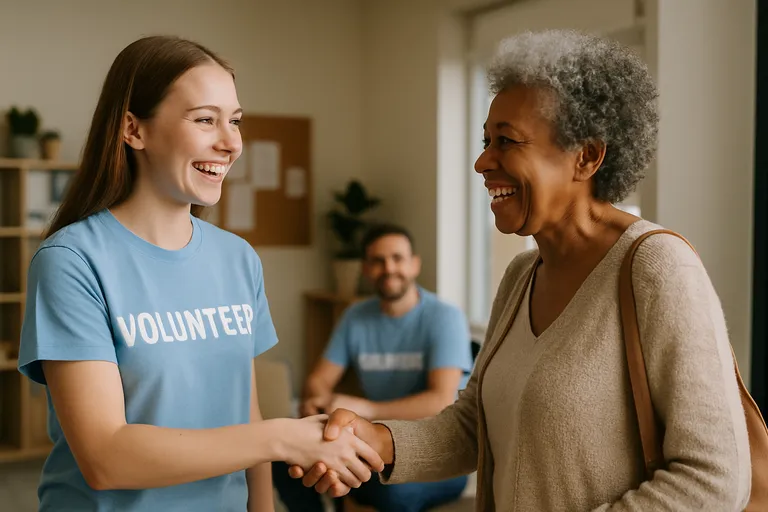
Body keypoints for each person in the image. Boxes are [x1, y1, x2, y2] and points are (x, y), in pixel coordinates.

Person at [290, 29, 753, 510]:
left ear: (587, 156)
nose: (482, 161)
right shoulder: (521, 275)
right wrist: (378, 440)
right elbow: (476, 423)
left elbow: (714, 478)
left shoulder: (657, 268)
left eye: (507, 141)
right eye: (486, 140)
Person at [16, 35, 383, 512]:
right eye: (205, 119)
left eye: (234, 121)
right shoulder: (72, 262)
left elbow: (244, 412)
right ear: (133, 129)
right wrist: (281, 438)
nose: (231, 143)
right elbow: (106, 457)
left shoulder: (238, 259)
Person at [273, 224, 472, 511]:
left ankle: (347, 500)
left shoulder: (444, 318)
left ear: (414, 265)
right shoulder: (355, 316)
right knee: (285, 460)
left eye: (397, 258)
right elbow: (319, 380)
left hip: (435, 453)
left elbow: (439, 401)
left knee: (390, 493)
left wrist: (366, 409)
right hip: (372, 443)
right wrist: (318, 401)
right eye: (378, 261)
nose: (389, 268)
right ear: (366, 269)